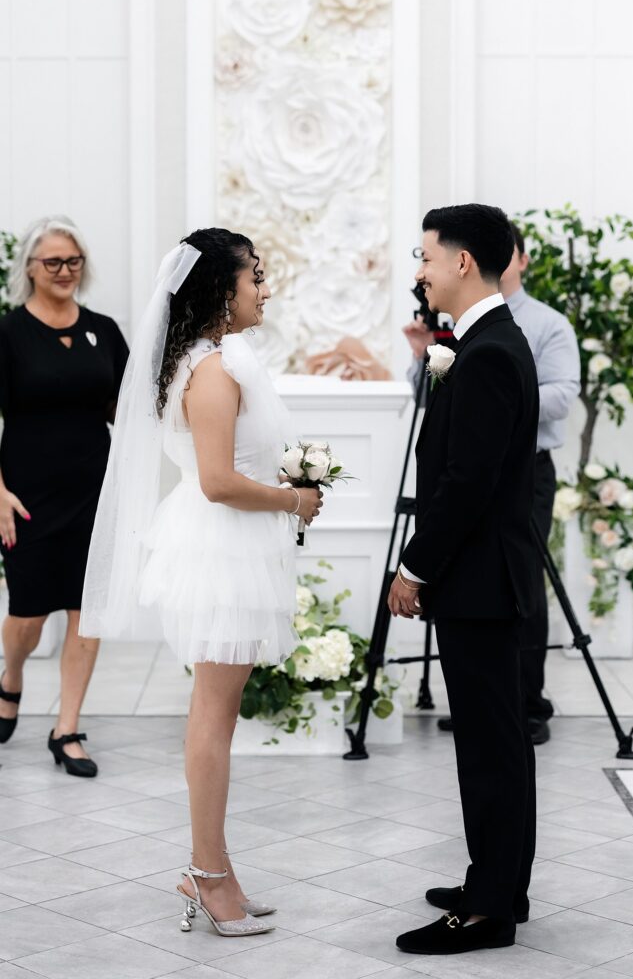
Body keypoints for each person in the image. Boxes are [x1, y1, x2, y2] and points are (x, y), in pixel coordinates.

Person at [80, 228, 322, 938]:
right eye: (256, 277)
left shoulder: (206, 359)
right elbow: (217, 482)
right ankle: (207, 877)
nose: (265, 288)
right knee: (213, 719)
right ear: (223, 290)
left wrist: (279, 489)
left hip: (228, 544)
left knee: (217, 712)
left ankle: (215, 867)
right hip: (220, 549)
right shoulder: (212, 369)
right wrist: (293, 501)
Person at [388, 204, 538, 955]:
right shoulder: (482, 343)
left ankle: (486, 911)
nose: (417, 270)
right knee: (498, 743)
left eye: (424, 256)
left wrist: (413, 565)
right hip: (485, 579)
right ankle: (500, 884)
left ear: (462, 263)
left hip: (479, 582)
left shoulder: (486, 354)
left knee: (488, 748)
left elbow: (465, 483)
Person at [404, 222, 580, 744]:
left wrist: (498, 406)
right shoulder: (464, 330)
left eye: (427, 258)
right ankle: (491, 703)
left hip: (524, 470)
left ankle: (526, 699)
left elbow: (562, 396)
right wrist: (425, 359)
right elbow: (431, 404)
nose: (420, 272)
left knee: (518, 586)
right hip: (479, 483)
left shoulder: (529, 331)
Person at [0, 215, 129, 777]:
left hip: (92, 491)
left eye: (73, 261)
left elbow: (122, 409)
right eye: (52, 261)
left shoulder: (104, 329)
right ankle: (10, 677)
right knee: (27, 615)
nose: (64, 271)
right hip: (25, 494)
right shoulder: (8, 333)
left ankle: (67, 728)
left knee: (86, 612)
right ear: (29, 267)